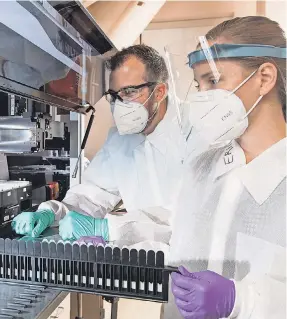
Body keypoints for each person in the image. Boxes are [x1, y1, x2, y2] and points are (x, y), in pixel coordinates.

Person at [166, 16, 286, 319]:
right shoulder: (203, 166)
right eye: (199, 84)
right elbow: (176, 233)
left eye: (214, 80)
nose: (202, 97)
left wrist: (240, 301)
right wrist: (112, 235)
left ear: (264, 78)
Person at [12, 45, 184, 251]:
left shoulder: (194, 132)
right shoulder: (121, 138)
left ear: (159, 92)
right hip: (146, 261)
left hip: (197, 270)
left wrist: (108, 229)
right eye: (114, 95)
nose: (119, 104)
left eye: (129, 92)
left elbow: (185, 224)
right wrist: (51, 212)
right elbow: (93, 195)